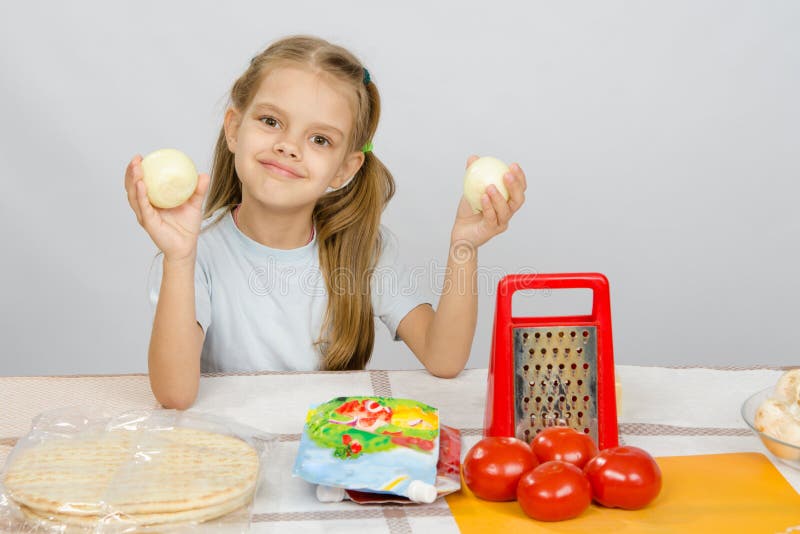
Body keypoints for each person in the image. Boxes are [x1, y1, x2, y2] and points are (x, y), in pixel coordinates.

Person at [124, 35, 527, 409]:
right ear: (234, 129)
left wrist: (465, 246)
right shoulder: (194, 256)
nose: (288, 146)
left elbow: (444, 358)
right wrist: (178, 258)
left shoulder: (363, 250)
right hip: (236, 457)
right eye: (270, 121)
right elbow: (175, 395)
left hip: (335, 458)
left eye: (320, 140)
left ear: (344, 169)